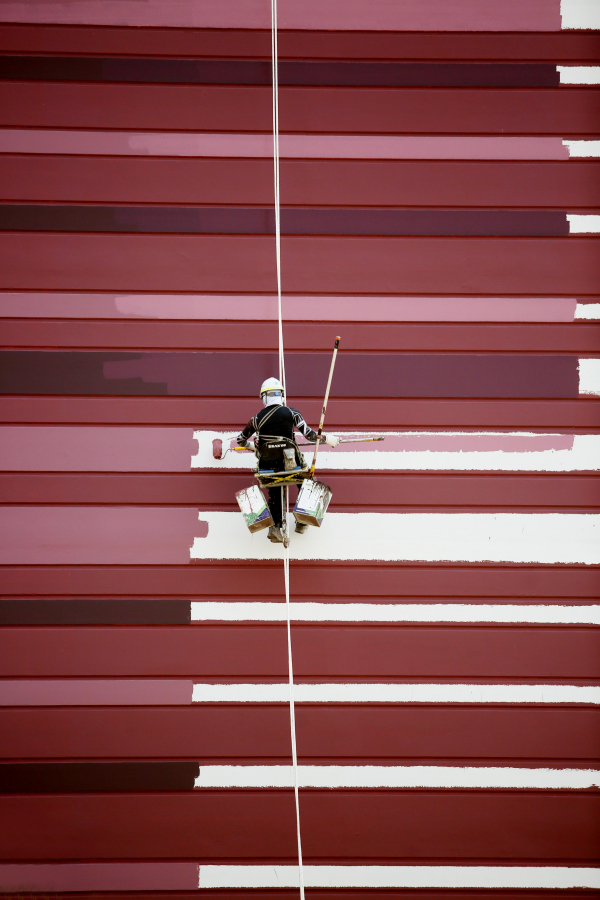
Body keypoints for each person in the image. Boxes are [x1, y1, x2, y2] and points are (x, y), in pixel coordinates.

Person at [237, 377, 339, 543]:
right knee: (306, 481)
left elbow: (240, 440)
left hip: (268, 466)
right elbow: (310, 435)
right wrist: (328, 439)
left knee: (274, 489)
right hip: (291, 463)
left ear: (264, 397)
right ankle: (302, 521)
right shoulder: (292, 413)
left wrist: (254, 447)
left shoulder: (255, 420)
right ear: (281, 395)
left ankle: (275, 527)